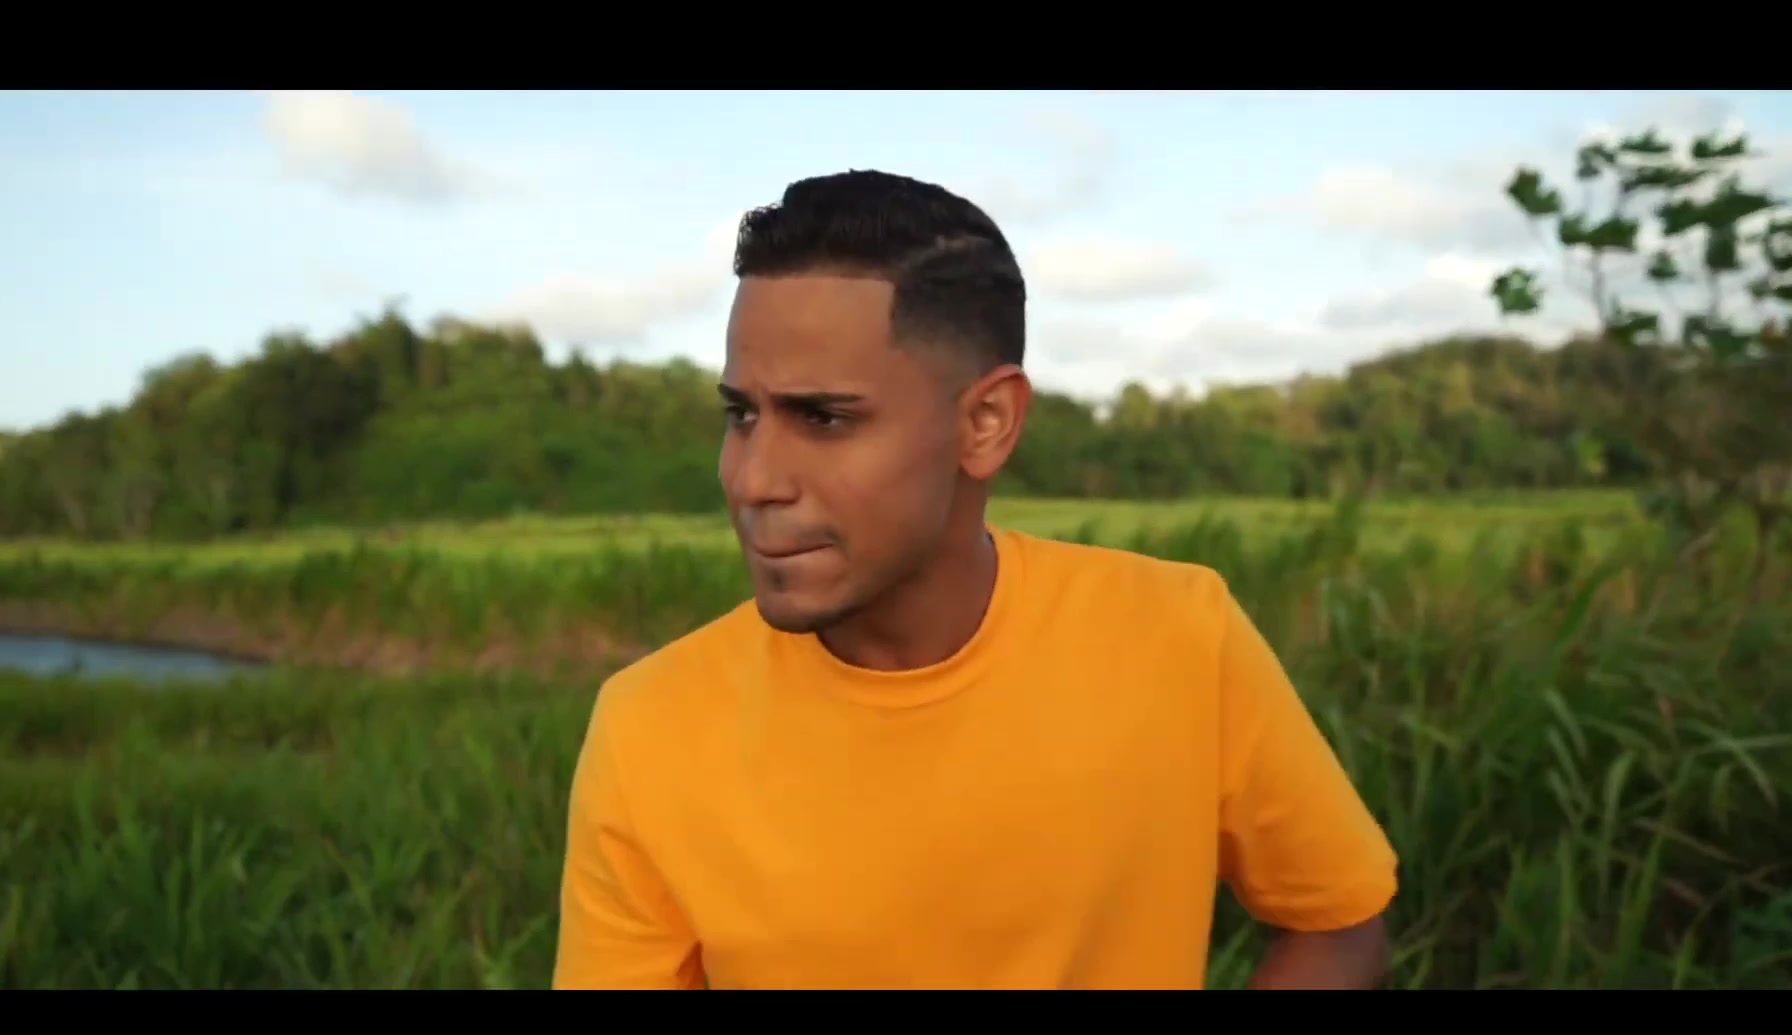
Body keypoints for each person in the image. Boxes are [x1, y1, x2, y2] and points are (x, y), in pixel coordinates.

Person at [550, 169, 1399, 990]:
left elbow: (1338, 921)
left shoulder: (1177, 633)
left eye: (824, 417)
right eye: (741, 414)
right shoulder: (649, 730)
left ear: (986, 423)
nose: (752, 478)